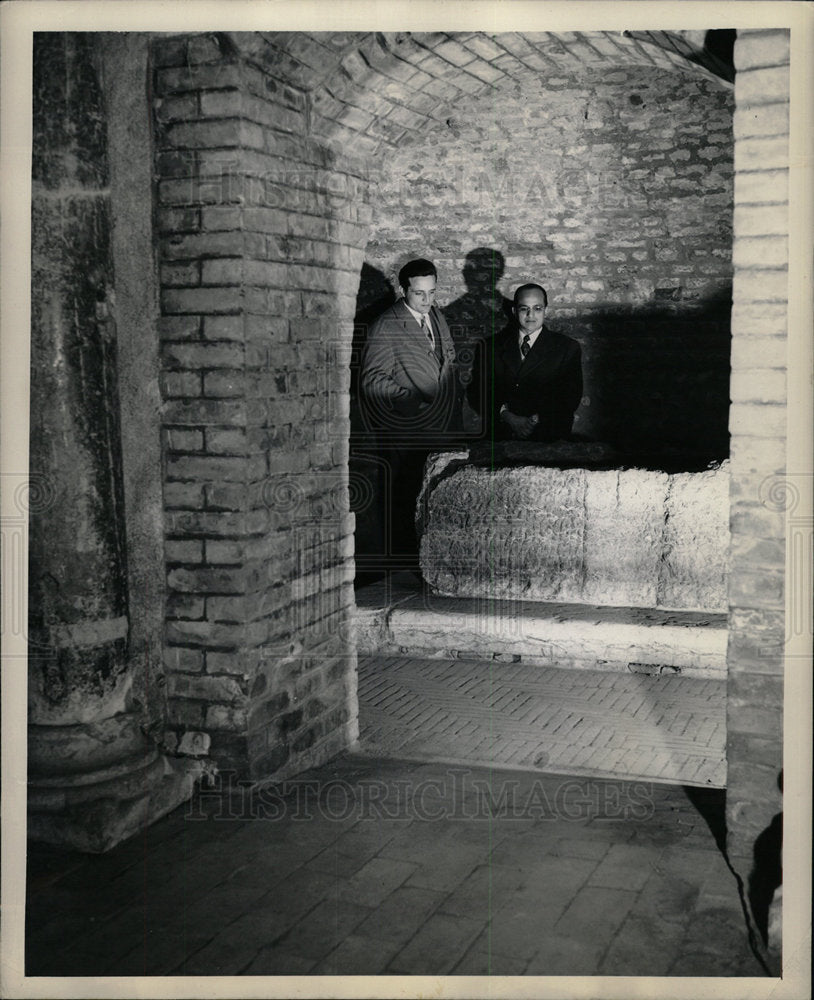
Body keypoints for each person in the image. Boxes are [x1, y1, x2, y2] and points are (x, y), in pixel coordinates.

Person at [360, 257, 461, 571]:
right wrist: (414, 402)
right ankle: (405, 571)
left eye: (432, 292)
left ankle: (434, 568)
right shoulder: (385, 325)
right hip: (408, 433)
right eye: (420, 294)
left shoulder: (437, 317)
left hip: (443, 430)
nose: (428, 300)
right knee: (407, 501)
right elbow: (372, 382)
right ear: (403, 290)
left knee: (437, 502)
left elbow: (448, 362)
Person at [469, 282, 582, 443]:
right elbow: (478, 391)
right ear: (515, 311)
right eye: (524, 308)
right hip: (502, 436)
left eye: (537, 308)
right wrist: (507, 416)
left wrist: (534, 420)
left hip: (549, 437)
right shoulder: (491, 347)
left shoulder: (566, 347)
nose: (531, 315)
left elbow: (570, 397)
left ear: (545, 311)